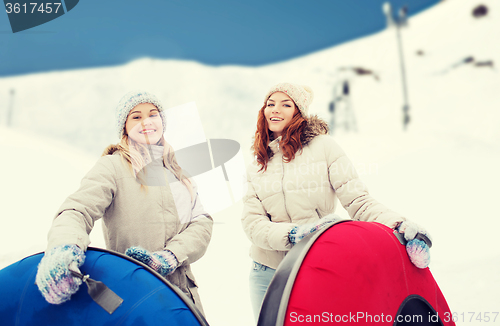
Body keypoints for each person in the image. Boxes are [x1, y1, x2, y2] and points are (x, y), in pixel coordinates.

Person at [241, 82, 431, 321]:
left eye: (285, 104)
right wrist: (294, 234)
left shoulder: (324, 148)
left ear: (298, 112)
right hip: (266, 273)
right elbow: (253, 224)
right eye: (270, 104)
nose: (275, 110)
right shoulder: (258, 165)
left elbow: (359, 202)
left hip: (311, 266)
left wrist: (400, 225)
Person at [35, 91, 213, 314]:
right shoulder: (112, 167)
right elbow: (77, 210)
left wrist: (170, 256)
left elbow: (201, 223)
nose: (146, 121)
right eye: (136, 117)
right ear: (125, 127)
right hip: (135, 294)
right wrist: (63, 247)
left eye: (153, 114)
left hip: (185, 298)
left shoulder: (179, 173)